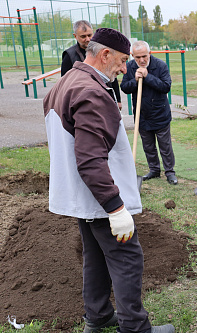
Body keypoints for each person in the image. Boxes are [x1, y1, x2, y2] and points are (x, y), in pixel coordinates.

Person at [43, 28, 175, 333]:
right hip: (99, 197)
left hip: (80, 196)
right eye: (122, 60)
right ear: (104, 55)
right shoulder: (91, 92)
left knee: (95, 257)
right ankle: (134, 328)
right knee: (128, 258)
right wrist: (115, 208)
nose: (124, 68)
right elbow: (89, 159)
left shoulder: (63, 84)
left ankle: (99, 316)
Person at [121, 41, 178, 185]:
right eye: (137, 57)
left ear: (150, 54)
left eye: (144, 56)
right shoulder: (129, 67)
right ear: (132, 56)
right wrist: (134, 80)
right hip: (142, 114)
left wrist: (148, 77)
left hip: (160, 113)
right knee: (148, 146)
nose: (141, 60)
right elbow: (124, 87)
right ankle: (154, 170)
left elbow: (166, 86)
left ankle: (170, 172)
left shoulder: (160, 66)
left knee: (165, 146)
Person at [61, 20, 122, 110]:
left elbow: (112, 75)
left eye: (89, 35)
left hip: (107, 98)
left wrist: (118, 100)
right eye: (83, 36)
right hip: (84, 103)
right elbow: (65, 84)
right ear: (75, 36)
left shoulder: (102, 51)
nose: (88, 39)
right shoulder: (69, 55)